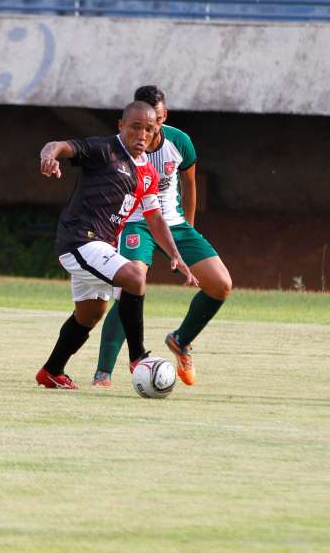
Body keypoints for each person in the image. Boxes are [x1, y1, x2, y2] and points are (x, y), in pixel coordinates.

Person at [36, 100, 198, 390]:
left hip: (101, 247)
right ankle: (138, 357)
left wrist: (176, 254)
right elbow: (58, 144)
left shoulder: (147, 172)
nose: (142, 135)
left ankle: (52, 371)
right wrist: (50, 155)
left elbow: (155, 218)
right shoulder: (104, 150)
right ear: (121, 126)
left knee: (91, 313)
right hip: (79, 240)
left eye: (149, 129)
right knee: (135, 277)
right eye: (135, 127)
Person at [93, 86, 232, 388]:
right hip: (136, 223)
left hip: (174, 223)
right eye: (141, 122)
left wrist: (189, 229)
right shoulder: (123, 145)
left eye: (154, 121)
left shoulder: (179, 142)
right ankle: (103, 372)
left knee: (221, 285)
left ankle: (181, 341)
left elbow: (190, 184)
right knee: (131, 284)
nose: (147, 129)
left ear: (163, 117)